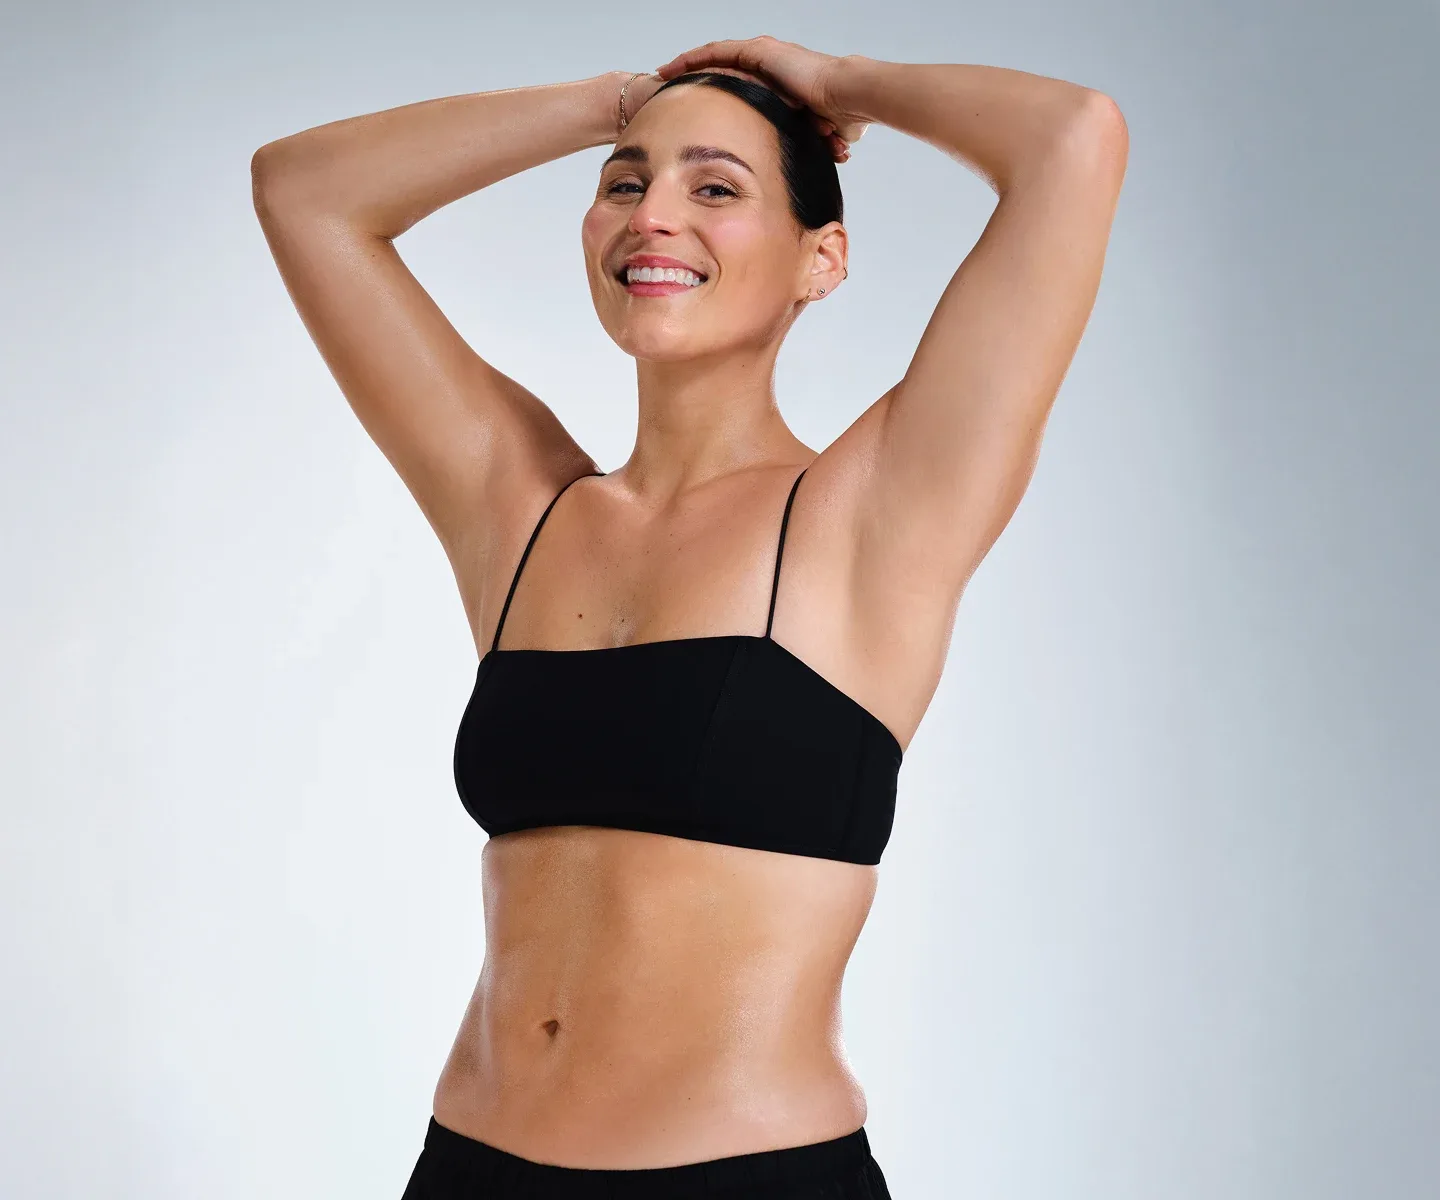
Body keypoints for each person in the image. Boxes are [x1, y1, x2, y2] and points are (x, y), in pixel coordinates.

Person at [251, 33, 1127, 1199]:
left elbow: (1072, 141)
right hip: (471, 1168)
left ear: (822, 258)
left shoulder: (874, 514)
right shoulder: (518, 506)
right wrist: (625, 100)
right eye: (627, 184)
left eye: (716, 189)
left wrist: (832, 86)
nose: (655, 215)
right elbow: (305, 193)